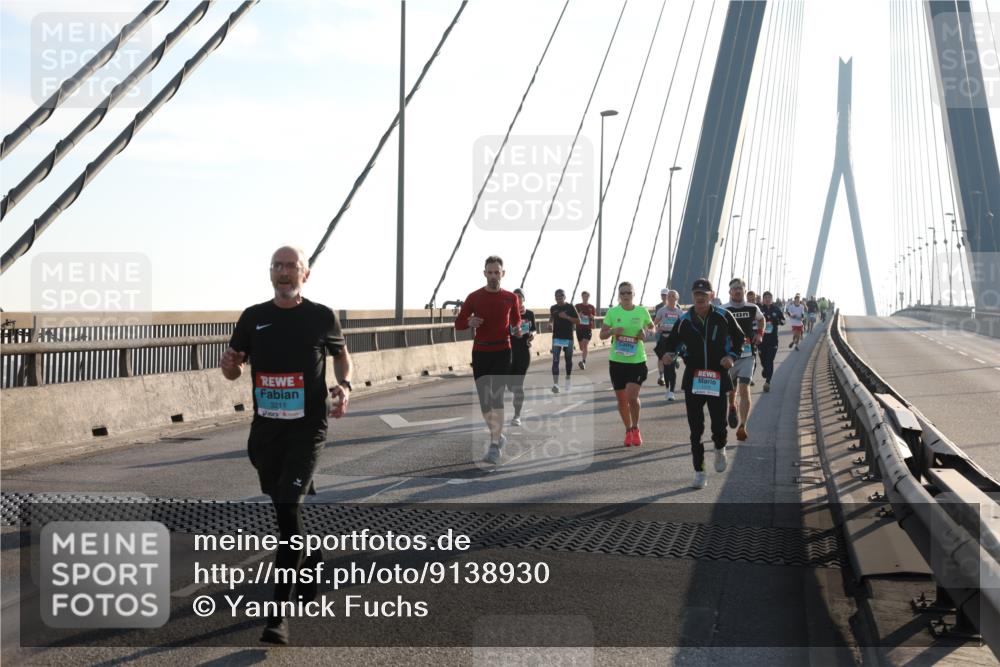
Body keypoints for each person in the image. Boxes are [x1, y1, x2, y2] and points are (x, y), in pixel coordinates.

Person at [222, 245, 353, 645]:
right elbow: (234, 368)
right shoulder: (253, 317)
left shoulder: (321, 316)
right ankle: (309, 556)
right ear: (270, 273)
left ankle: (277, 618)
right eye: (277, 266)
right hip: (266, 432)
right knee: (285, 513)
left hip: (308, 430)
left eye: (291, 266)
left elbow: (342, 356)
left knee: (287, 508)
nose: (283, 272)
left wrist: (344, 386)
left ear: (304, 274)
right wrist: (229, 367)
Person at [656, 278, 744, 488]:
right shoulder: (684, 320)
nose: (700, 298)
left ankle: (720, 448)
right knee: (695, 430)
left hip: (717, 377)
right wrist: (668, 355)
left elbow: (740, 338)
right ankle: (699, 470)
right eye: (697, 294)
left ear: (711, 296)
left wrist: (731, 356)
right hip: (694, 379)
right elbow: (671, 343)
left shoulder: (724, 316)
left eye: (704, 295)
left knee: (719, 426)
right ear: (692, 296)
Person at [455, 255, 522, 465]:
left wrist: (517, 330)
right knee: (485, 402)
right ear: (484, 273)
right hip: (481, 352)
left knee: (496, 398)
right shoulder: (474, 297)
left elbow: (516, 322)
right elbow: (458, 324)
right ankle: (498, 436)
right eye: (490, 272)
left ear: (503, 273)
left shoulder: (511, 298)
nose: (493, 276)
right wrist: (470, 321)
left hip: (503, 351)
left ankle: (494, 445)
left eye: (497, 272)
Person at [600, 281, 655, 446]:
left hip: (637, 360)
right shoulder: (613, 312)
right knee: (622, 400)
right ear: (619, 295)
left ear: (633, 294)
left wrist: (646, 333)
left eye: (628, 293)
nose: (625, 296)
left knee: (632, 397)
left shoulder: (641, 311)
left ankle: (636, 427)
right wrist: (612, 331)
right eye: (622, 293)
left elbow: (652, 328)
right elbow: (602, 334)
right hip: (617, 361)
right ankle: (628, 430)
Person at [722, 278, 765, 442]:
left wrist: (760, 334)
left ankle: (743, 425)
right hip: (730, 356)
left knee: (744, 389)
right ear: (730, 292)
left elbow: (761, 319)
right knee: (731, 390)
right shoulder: (723, 309)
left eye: (740, 288)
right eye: (734, 288)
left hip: (748, 355)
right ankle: (732, 406)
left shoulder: (752, 308)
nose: (738, 290)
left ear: (745, 291)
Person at [508, 288, 536, 426]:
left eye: (520, 296)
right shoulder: (507, 312)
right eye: (515, 296)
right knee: (510, 386)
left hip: (523, 352)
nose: (517, 298)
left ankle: (517, 415)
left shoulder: (529, 314)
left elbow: (534, 329)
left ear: (523, 299)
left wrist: (532, 335)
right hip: (509, 352)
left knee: (518, 385)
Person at [653, 288, 683, 401]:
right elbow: (654, 324)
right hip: (664, 339)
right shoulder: (662, 311)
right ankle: (667, 389)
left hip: (674, 341)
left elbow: (683, 327)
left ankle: (672, 392)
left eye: (672, 296)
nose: (670, 298)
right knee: (666, 365)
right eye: (669, 296)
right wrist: (657, 329)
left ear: (676, 299)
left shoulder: (679, 312)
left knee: (672, 366)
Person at [549, 289, 579, 393]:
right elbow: (551, 318)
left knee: (568, 360)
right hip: (556, 337)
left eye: (560, 297)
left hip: (568, 338)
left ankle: (568, 378)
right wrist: (550, 324)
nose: (558, 300)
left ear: (564, 297)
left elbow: (578, 321)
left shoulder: (570, 307)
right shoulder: (553, 308)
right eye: (557, 298)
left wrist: (567, 317)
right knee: (555, 360)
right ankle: (556, 384)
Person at [758, 291, 785, 392]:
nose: (768, 299)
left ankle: (768, 382)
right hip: (762, 340)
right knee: (763, 360)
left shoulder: (776, 309)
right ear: (763, 299)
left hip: (773, 340)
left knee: (769, 360)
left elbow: (783, 321)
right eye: (766, 298)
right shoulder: (759, 309)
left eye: (769, 297)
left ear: (772, 299)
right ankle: (765, 370)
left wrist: (778, 321)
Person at [575, 291, 597, 370]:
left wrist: (591, 317)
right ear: (582, 297)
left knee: (585, 345)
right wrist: (579, 315)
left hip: (587, 329)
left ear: (588, 297)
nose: (585, 298)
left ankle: (583, 362)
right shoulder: (577, 306)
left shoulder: (591, 307)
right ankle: (583, 357)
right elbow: (574, 316)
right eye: (584, 296)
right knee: (581, 347)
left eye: (587, 296)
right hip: (579, 329)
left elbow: (593, 317)